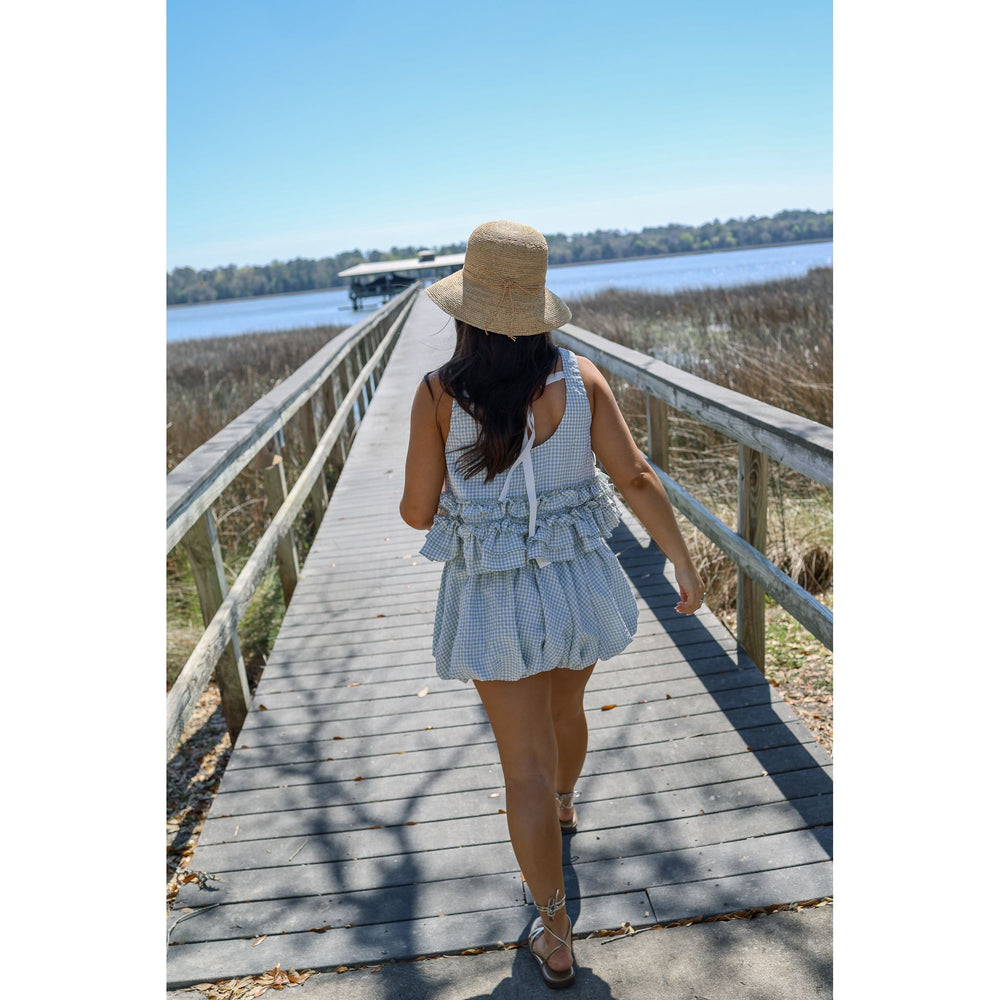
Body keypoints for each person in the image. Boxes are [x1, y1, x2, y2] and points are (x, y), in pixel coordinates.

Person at [399, 220, 704, 989]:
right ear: (537, 307)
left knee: (521, 770)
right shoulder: (579, 376)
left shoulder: (439, 394)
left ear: (465, 310)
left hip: (494, 591)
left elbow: (413, 510)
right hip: (577, 583)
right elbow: (635, 477)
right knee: (567, 710)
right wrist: (680, 558)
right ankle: (567, 806)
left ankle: (557, 931)